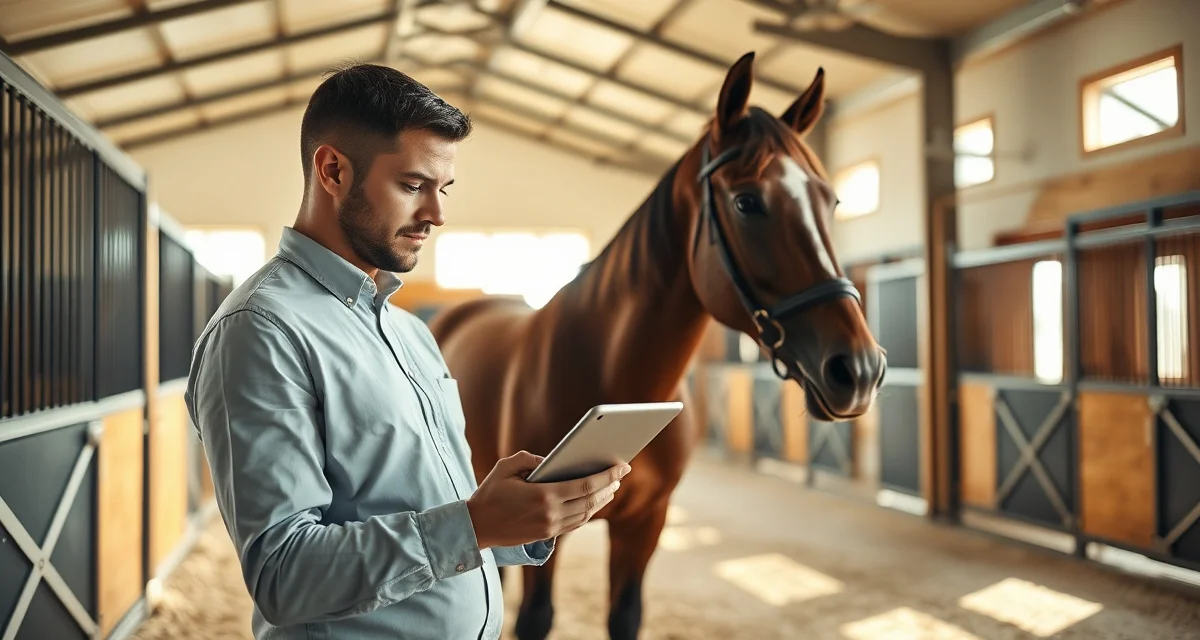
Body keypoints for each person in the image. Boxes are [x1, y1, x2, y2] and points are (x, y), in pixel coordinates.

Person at [184, 63, 629, 640]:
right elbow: (284, 575)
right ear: (333, 170)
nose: (437, 215)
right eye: (413, 185)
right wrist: (472, 525)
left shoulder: (410, 332)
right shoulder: (261, 331)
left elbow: (431, 515)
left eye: (442, 189)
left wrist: (519, 515)